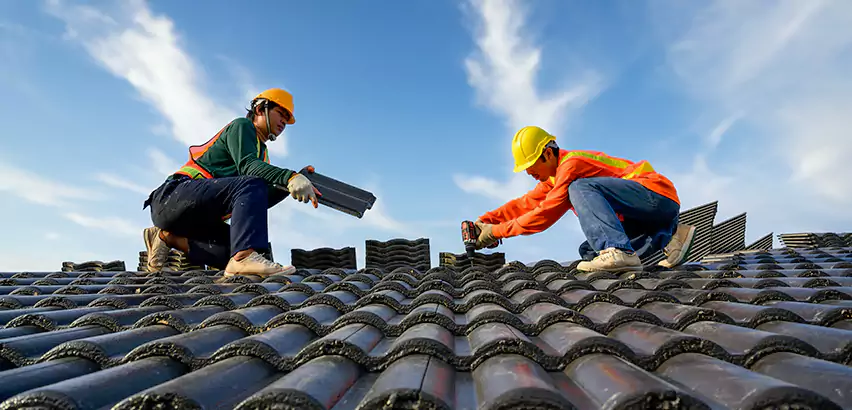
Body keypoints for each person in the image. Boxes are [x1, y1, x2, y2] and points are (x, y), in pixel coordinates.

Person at [141, 88, 321, 277]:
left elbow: (257, 200)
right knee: (252, 186)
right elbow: (248, 168)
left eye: (287, 118)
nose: (284, 121)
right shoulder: (242, 126)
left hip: (196, 220)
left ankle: (167, 236)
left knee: (253, 248)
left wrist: (287, 187)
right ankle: (243, 258)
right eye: (281, 114)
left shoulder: (262, 155)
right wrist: (290, 177)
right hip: (171, 199)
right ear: (260, 109)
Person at [472, 125, 696, 272]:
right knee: (588, 251)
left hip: (656, 194)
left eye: (530, 166)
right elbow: (525, 204)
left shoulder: (572, 165)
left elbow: (545, 214)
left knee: (579, 188)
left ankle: (619, 251)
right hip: (645, 214)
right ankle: (668, 236)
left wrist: (497, 232)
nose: (528, 173)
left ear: (548, 153)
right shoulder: (553, 179)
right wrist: (486, 221)